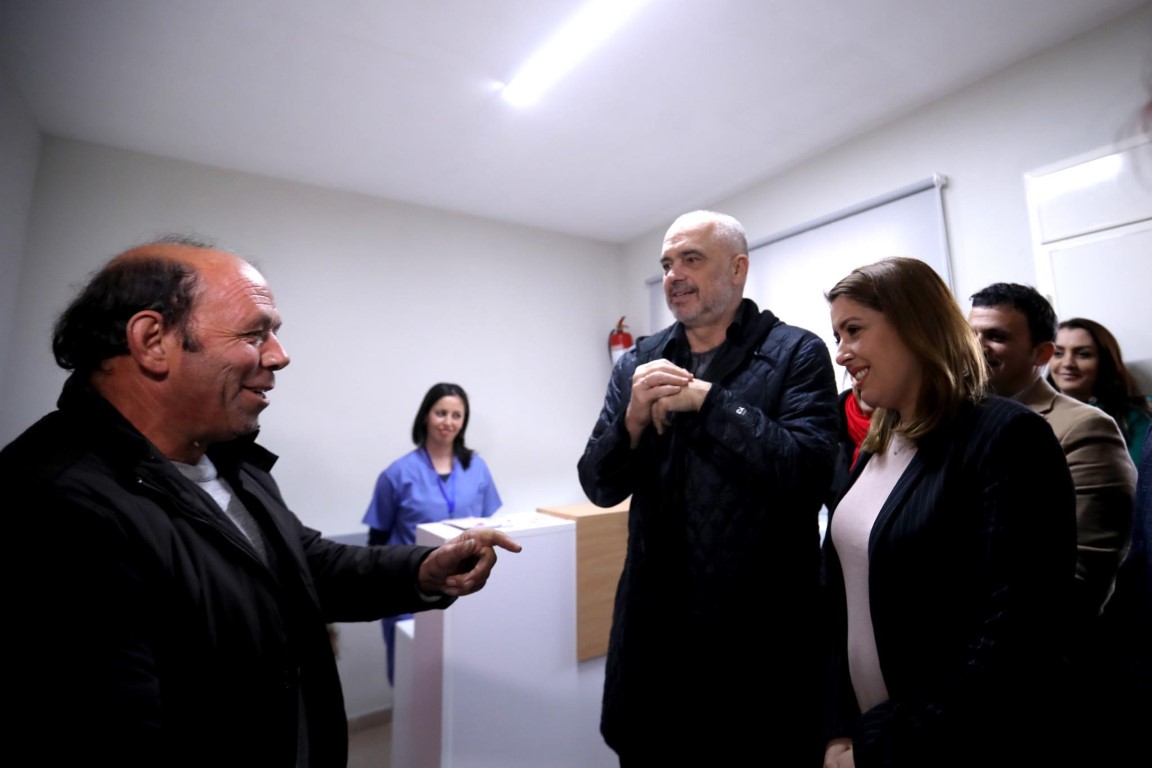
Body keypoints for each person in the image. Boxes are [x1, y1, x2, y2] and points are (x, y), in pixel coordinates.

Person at [2, 236, 521, 768]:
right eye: (255, 334)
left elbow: (307, 566)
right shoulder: (51, 504)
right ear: (153, 341)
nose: (279, 355)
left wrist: (425, 571)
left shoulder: (232, 462)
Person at [578, 210, 839, 765]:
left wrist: (711, 401)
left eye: (691, 259)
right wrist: (631, 423)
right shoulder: (638, 362)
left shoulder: (797, 352)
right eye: (667, 264)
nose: (673, 275)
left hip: (761, 649)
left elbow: (808, 475)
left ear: (737, 268)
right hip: (653, 646)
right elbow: (598, 486)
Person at [821, 258, 1076, 768]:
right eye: (837, 336)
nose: (841, 353)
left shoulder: (1005, 436)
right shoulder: (879, 443)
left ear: (914, 324)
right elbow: (840, 605)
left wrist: (883, 744)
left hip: (953, 745)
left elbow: (1016, 631)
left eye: (854, 330)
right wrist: (838, 731)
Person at [968, 283, 1136, 623]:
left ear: (1042, 354)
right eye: (970, 335)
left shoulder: (1085, 428)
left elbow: (1084, 575)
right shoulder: (953, 421)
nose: (976, 347)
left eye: (996, 336)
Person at [363, 382, 503, 684]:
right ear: (426, 415)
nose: (448, 422)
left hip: (464, 588)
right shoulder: (397, 474)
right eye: (441, 413)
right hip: (409, 590)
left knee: (461, 684)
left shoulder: (478, 469)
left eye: (456, 415)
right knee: (411, 683)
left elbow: (488, 527)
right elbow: (377, 541)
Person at [1050, 317, 1152, 464]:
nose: (1067, 363)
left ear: (1105, 362)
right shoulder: (1031, 411)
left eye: (1083, 354)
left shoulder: (1138, 414)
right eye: (1058, 353)